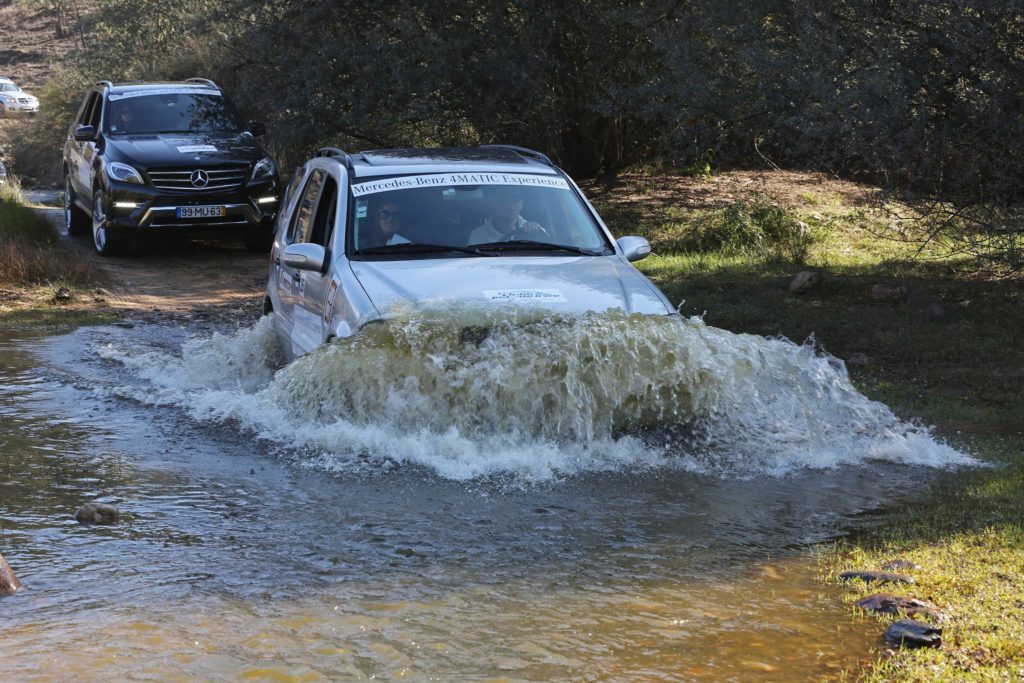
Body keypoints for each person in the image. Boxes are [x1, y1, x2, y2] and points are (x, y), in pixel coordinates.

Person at [467, 185, 547, 244]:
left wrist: (536, 232)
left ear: (521, 205)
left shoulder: (534, 230)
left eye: (515, 199)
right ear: (494, 204)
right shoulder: (478, 235)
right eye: (504, 199)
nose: (510, 204)